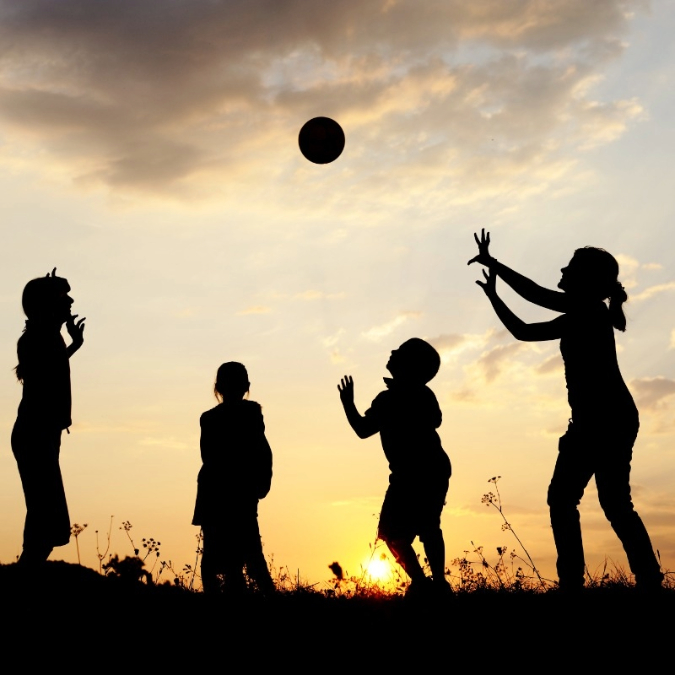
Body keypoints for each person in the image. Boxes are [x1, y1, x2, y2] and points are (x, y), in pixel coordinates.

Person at [469, 229, 663, 591]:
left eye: (570, 267)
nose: (562, 270)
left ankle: (592, 581)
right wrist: (495, 295)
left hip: (605, 421)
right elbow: (523, 332)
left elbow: (535, 295)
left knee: (589, 501)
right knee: (597, 502)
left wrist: (494, 264)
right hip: (602, 420)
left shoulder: (588, 311)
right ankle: (627, 579)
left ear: (587, 281)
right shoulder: (582, 314)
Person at [337, 338, 452, 595]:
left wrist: (348, 404)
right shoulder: (417, 394)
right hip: (429, 470)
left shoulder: (392, 399)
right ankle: (430, 584)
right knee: (420, 528)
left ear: (409, 365)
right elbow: (436, 419)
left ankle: (429, 584)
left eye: (399, 352)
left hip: (416, 473)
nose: (391, 352)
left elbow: (362, 429)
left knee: (400, 532)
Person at [12, 269, 86, 566]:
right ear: (46, 303)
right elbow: (43, 372)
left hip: (41, 434)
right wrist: (69, 345)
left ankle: (27, 573)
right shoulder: (36, 339)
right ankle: (26, 575)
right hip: (35, 434)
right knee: (47, 515)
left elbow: (48, 367)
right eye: (62, 295)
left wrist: (73, 345)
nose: (69, 300)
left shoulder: (47, 338)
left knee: (46, 515)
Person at [192, 362, 275, 595]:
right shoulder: (251, 414)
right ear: (246, 386)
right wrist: (261, 483)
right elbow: (263, 452)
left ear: (217, 387)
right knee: (249, 554)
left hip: (216, 492)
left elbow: (207, 455)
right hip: (238, 492)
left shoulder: (209, 418)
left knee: (214, 558)